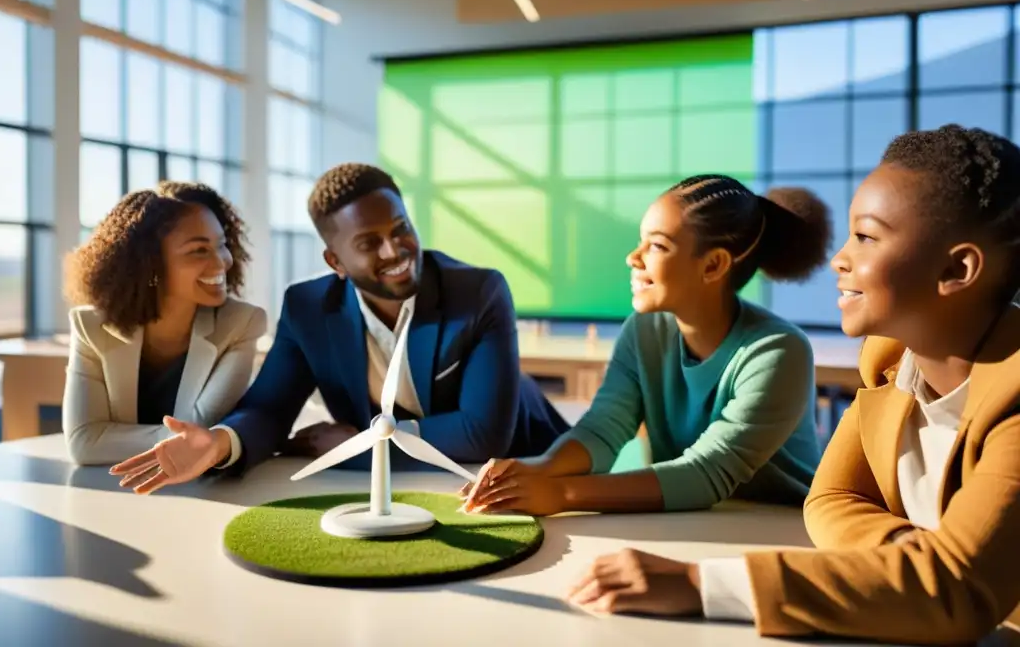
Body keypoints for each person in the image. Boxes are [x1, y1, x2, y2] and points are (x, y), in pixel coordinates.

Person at [563, 125, 1020, 645]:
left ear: (957, 268)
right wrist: (913, 557)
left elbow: (953, 591)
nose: (838, 259)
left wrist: (702, 583)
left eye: (866, 237)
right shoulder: (889, 362)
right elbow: (829, 500)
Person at [109, 163, 571, 494]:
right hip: (413, 488)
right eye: (369, 243)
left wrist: (359, 444)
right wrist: (220, 445)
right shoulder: (309, 308)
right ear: (336, 262)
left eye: (401, 228)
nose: (395, 250)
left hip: (531, 473)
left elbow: (481, 432)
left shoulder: (479, 293)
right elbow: (269, 409)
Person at [462, 173, 832, 517]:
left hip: (782, 531)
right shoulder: (644, 331)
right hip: (689, 520)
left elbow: (706, 475)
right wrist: (533, 470)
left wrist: (560, 494)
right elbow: (602, 430)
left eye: (656, 245)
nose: (632, 257)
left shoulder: (777, 351)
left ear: (713, 265)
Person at [62, 181, 267, 466]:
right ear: (150, 265)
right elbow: (85, 443)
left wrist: (115, 438)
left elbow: (200, 436)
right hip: (113, 487)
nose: (222, 262)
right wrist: (187, 443)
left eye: (221, 245)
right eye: (199, 250)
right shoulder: (91, 327)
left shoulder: (241, 323)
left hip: (199, 490)